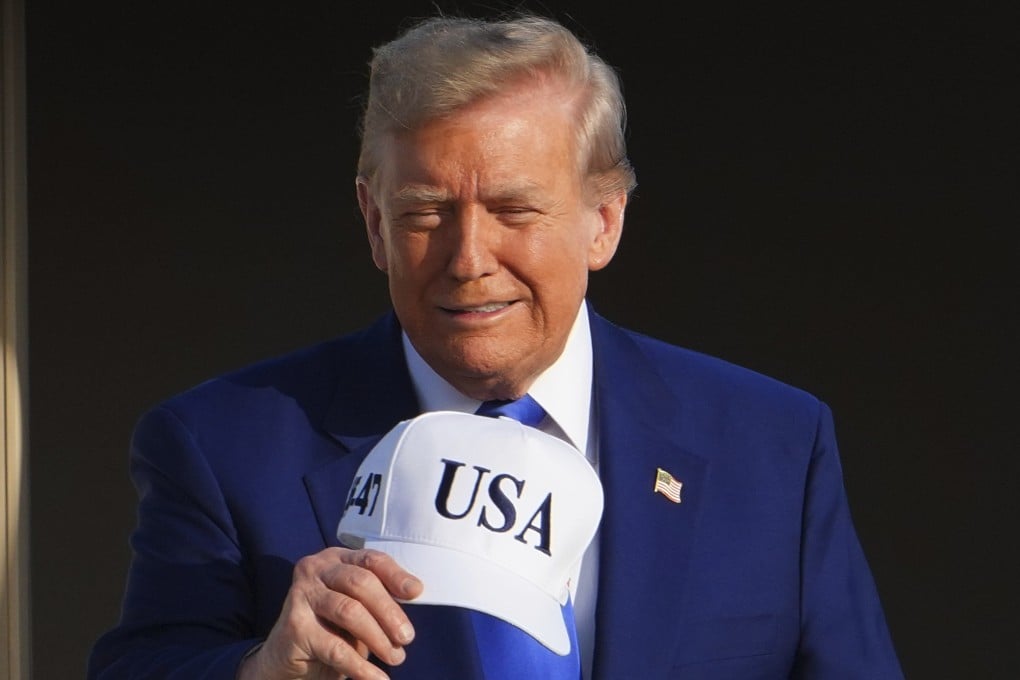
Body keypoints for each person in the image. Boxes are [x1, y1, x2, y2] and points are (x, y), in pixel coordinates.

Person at [88, 11, 904, 680]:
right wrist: (262, 667)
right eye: (423, 214)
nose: (469, 259)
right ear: (374, 224)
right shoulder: (219, 445)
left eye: (515, 211)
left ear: (603, 221)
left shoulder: (772, 445)